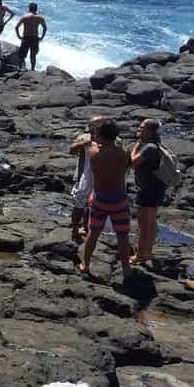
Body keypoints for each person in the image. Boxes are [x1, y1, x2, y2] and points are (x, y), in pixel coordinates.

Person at [81, 118, 132, 280]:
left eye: (96, 134)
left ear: (101, 136)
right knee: (122, 236)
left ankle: (86, 264)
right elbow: (124, 166)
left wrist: (92, 138)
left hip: (99, 199)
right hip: (119, 199)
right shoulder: (123, 153)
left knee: (93, 233)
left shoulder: (93, 153)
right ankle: (126, 268)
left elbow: (92, 147)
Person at [131, 118, 166, 266]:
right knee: (150, 223)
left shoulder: (149, 147)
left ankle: (139, 256)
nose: (139, 130)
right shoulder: (154, 145)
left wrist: (136, 145)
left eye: (142, 128)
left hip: (148, 190)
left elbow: (132, 162)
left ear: (150, 131)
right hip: (156, 189)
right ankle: (147, 253)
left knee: (144, 224)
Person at [68, 116, 103, 243]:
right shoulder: (84, 138)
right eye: (91, 125)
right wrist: (83, 144)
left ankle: (87, 228)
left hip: (101, 178)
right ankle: (74, 230)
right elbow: (71, 150)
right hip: (83, 176)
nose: (93, 128)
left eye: (97, 125)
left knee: (93, 204)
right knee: (79, 204)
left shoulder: (112, 139)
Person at [14, 3, 48, 71]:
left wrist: (19, 36)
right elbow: (45, 28)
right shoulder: (40, 18)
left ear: (29, 8)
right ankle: (32, 69)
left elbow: (16, 27)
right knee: (33, 55)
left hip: (26, 38)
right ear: (36, 9)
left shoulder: (24, 17)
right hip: (35, 38)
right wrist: (42, 37)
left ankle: (20, 68)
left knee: (22, 55)